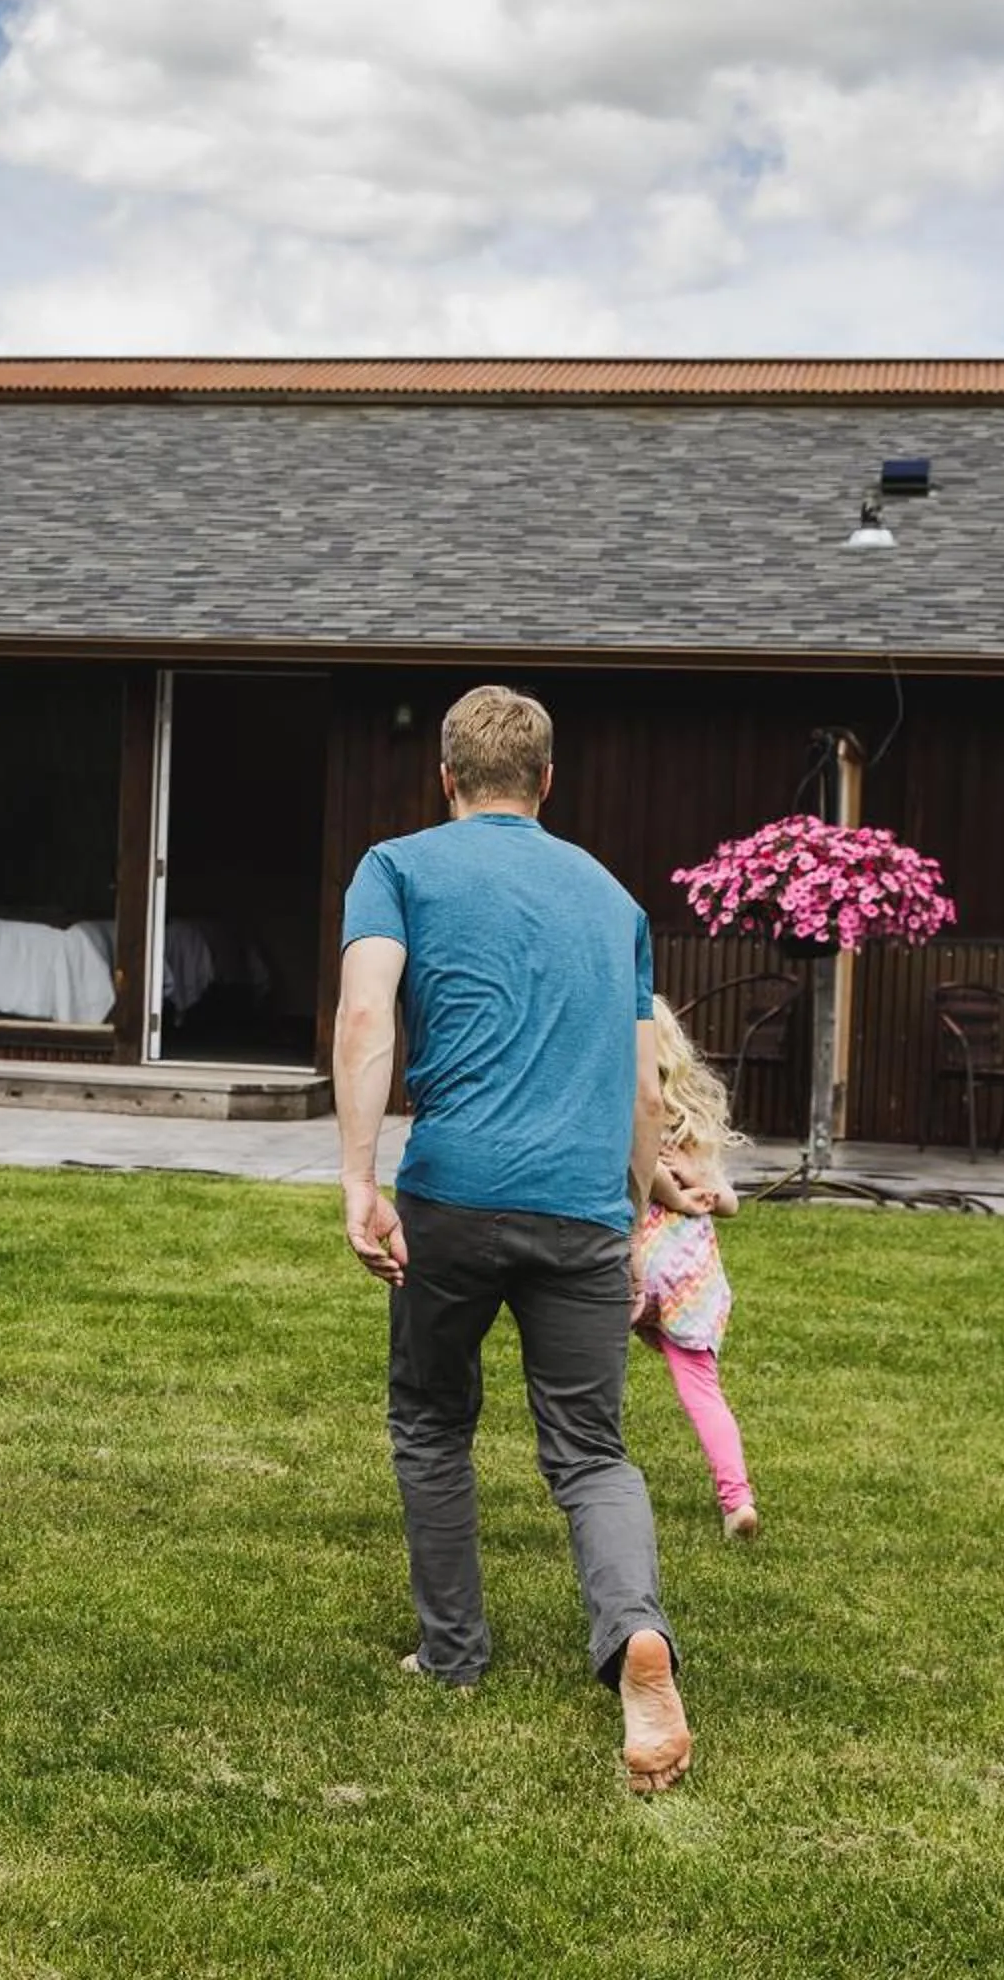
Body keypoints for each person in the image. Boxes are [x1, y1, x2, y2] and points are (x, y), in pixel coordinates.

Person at [333, 682, 702, 1796]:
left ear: (445, 778)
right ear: (549, 781)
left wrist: (359, 1179)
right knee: (590, 1451)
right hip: (581, 1207)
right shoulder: (611, 896)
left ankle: (451, 1653)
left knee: (433, 1418)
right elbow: (645, 1084)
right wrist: (639, 1205)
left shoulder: (397, 866)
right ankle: (635, 1634)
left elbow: (364, 1018)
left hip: (452, 1193)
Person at [634, 999, 759, 1542]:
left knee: (585, 1367)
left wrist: (678, 1194)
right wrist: (700, 1188)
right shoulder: (689, 1119)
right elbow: (728, 1202)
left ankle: (588, 1473)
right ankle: (737, 1499)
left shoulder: (633, 1103)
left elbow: (643, 1169)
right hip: (689, 1274)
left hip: (634, 1256)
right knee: (702, 1388)